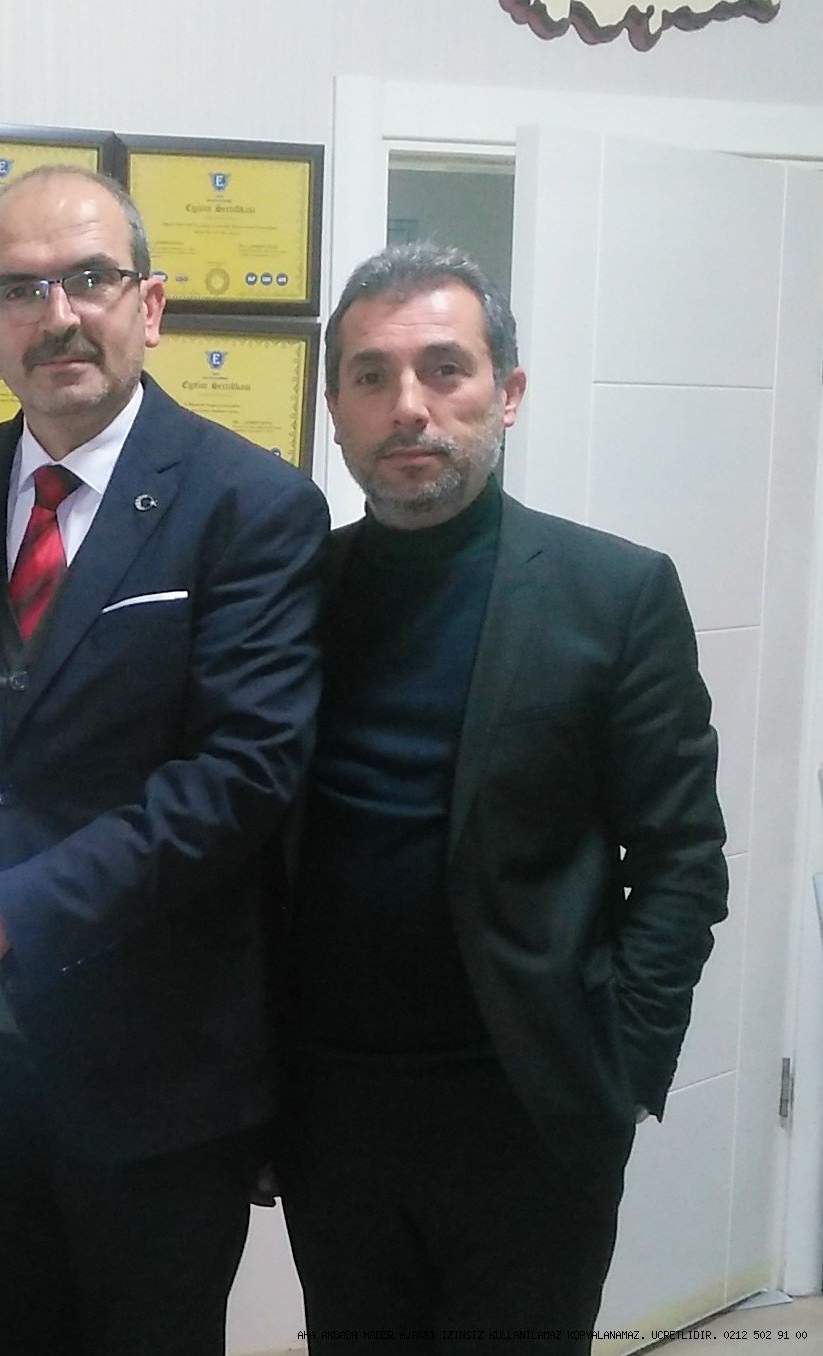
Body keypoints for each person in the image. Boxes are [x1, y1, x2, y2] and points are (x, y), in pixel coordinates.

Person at [0, 165, 327, 1355]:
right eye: (20, 289)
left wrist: (15, 909)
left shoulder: (251, 505)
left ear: (147, 306)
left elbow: (240, 778)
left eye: (90, 279)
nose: (58, 315)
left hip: (155, 1075)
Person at [278, 242, 727, 1353]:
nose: (408, 406)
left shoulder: (613, 593)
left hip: (530, 1108)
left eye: (445, 368)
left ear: (507, 392)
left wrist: (620, 1070)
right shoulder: (288, 597)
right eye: (371, 376)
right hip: (331, 1111)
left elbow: (680, 861)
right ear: (334, 409)